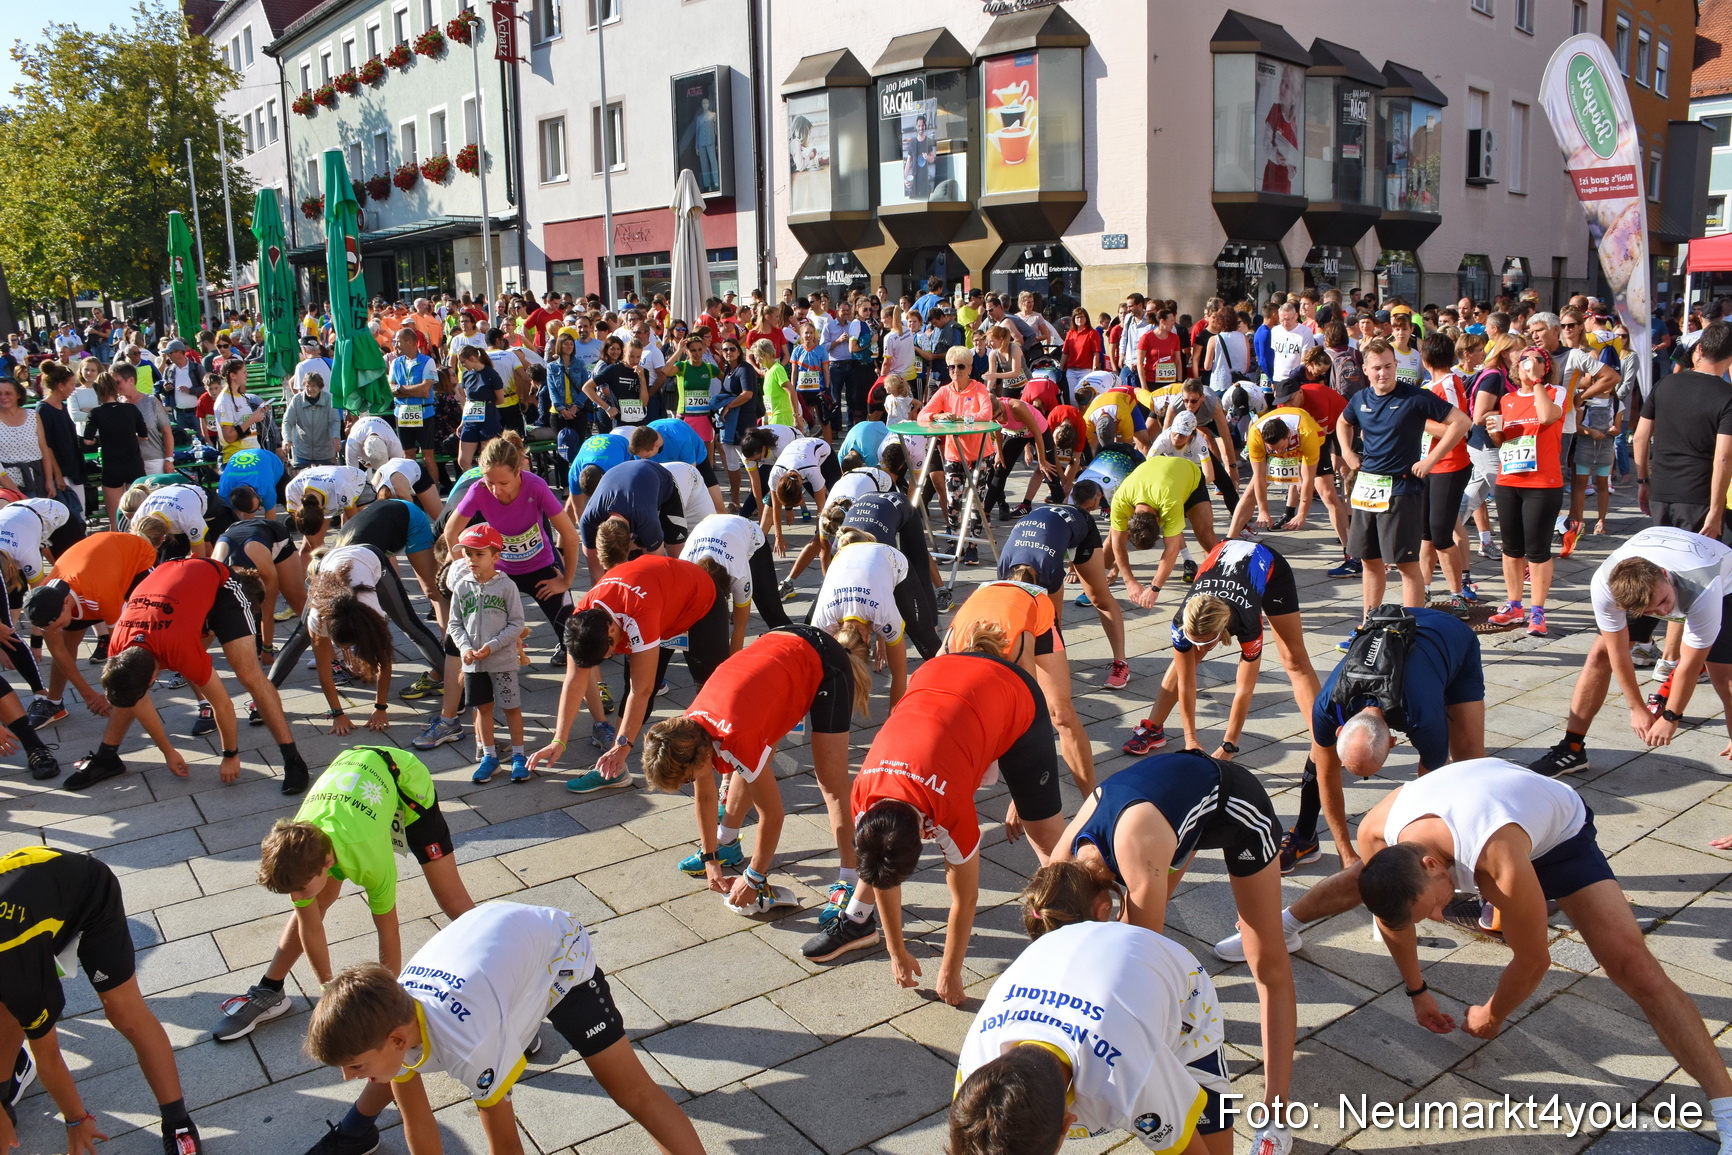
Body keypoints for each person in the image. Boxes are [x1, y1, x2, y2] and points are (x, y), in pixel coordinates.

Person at [1267, 757, 1732, 1153]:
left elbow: (1534, 960)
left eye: (1430, 905)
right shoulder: (1378, 834)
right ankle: (1283, 927)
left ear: (1430, 864)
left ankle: (1727, 1109)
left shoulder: (1498, 863)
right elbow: (1395, 919)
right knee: (1358, 880)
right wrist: (1418, 992)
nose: (1435, 917)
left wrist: (1492, 1014)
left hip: (1554, 831)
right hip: (1480, 795)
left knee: (1631, 966)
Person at [1031, 749, 1296, 1144]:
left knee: (1268, 964)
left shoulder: (1137, 856)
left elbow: (1139, 980)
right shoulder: (1056, 872)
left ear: (1104, 907)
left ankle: (1277, 1118)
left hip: (1235, 807)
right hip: (1171, 811)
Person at [302, 904, 705, 1155]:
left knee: (631, 1090)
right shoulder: (394, 1024)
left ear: (395, 1041)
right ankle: (518, 1034)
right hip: (495, 961)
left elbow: (508, 1147)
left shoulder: (468, 1045)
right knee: (493, 1027)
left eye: (354, 1065)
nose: (347, 1077)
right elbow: (419, 1125)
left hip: (559, 952)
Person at [814, 637, 1062, 1002]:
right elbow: (880, 870)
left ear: (926, 835)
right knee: (881, 860)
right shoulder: (863, 795)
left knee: (1045, 837)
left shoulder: (950, 812)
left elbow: (965, 898)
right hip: (937, 674)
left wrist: (950, 972)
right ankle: (858, 920)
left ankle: (1074, 929)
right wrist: (896, 952)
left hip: (1010, 690)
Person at [211, 746, 476, 1045]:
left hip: (404, 783)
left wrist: (388, 1007)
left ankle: (507, 972)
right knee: (314, 904)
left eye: (300, 889)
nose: (297, 896)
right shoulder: (297, 848)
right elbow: (309, 926)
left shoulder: (370, 859)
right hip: (352, 786)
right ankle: (270, 990)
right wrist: (329, 994)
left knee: (453, 902)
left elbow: (388, 930)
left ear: (326, 863)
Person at [951, 921, 1236, 1155]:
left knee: (1212, 1140)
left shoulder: (1131, 1079)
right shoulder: (973, 1081)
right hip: (1062, 951)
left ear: (1066, 1126)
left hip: (1173, 980)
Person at [642, 624, 866, 922]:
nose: (691, 783)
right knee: (748, 764)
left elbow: (773, 816)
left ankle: (850, 878)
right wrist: (710, 858)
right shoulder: (688, 730)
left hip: (823, 659)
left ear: (698, 757)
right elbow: (705, 797)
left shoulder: (734, 739)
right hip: (775, 656)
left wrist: (754, 878)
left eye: (687, 778)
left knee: (831, 781)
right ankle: (727, 843)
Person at [0, 847, 208, 1155]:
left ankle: (177, 1120)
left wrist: (76, 1119)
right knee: (5, 1011)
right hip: (32, 895)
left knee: (123, 1011)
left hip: (87, 889)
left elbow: (50, 1055)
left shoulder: (16, 969)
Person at [1529, 527, 1732, 777]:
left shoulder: (1704, 588)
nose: (1663, 612)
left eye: (1663, 602)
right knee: (1600, 654)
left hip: (1723, 584)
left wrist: (1670, 717)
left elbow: (1689, 664)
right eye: (1650, 611)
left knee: (1724, 674)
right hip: (1655, 562)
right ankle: (1571, 748)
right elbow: (1617, 652)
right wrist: (1636, 707)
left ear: (1665, 576)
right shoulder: (1604, 584)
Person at [535, 554, 730, 793]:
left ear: (611, 629)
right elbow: (574, 681)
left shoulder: (637, 615)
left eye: (608, 651)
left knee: (711, 692)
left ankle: (730, 778)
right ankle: (614, 769)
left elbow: (643, 690)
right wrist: (559, 740)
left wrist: (624, 745)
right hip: (662, 601)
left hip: (698, 603)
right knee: (630, 691)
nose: (609, 657)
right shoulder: (582, 618)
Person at [1337, 339, 1470, 624]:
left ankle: (1413, 627)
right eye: (1377, 368)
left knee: (1406, 564)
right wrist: (1347, 452)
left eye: (1388, 366)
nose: (1383, 373)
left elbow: (1461, 422)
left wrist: (1432, 459)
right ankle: (1368, 624)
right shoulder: (1360, 399)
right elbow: (1343, 422)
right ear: (1366, 370)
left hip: (1401, 489)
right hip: (1367, 489)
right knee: (1369, 561)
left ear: (1396, 365)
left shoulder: (1414, 397)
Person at [945, 577, 1095, 799]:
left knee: (1060, 712)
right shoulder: (948, 652)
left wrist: (1026, 790)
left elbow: (1035, 721)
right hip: (986, 599)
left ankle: (1093, 800)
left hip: (1031, 603)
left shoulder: (1018, 647)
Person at [443, 431, 581, 663]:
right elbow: (450, 531)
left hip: (542, 568)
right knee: (478, 634)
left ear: (518, 472)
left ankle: (595, 685)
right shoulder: (478, 490)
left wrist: (566, 581)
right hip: (502, 572)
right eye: (490, 483)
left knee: (573, 636)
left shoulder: (535, 485)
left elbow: (569, 534)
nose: (496, 490)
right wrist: (465, 569)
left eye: (504, 483)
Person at [21, 531, 156, 734]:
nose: (54, 630)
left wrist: (109, 694)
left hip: (136, 557)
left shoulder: (102, 593)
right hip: (92, 571)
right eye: (49, 628)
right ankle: (54, 703)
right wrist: (89, 695)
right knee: (67, 642)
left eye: (56, 624)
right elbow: (59, 652)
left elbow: (120, 648)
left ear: (66, 602)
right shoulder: (44, 602)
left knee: (142, 639)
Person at [999, 490, 1130, 690]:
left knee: (1099, 598)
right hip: (1045, 523)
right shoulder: (1003, 572)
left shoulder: (1049, 571)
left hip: (1078, 523)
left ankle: (1121, 663)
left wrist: (1052, 676)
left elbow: (1055, 626)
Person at [1484, 345, 1567, 637]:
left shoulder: (1555, 392)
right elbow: (1502, 441)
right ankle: (1514, 604)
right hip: (1509, 481)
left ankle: (1538, 610)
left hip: (1542, 483)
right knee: (1511, 548)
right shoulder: (1506, 399)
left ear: (1546, 367)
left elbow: (1546, 417)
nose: (1526, 366)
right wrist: (1494, 429)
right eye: (1522, 362)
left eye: (1534, 362)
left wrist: (1537, 383)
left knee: (1537, 550)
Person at [448, 524, 530, 784]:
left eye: (478, 554)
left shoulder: (507, 587)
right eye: (468, 554)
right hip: (473, 664)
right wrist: (465, 648)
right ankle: (489, 756)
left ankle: (519, 756)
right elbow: (454, 623)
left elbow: (517, 623)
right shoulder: (461, 587)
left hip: (502, 661)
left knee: (511, 708)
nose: (471, 559)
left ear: (495, 557)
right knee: (483, 709)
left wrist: (492, 646)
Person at [1107, 454, 1215, 610]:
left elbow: (1172, 549)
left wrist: (1155, 588)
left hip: (1187, 473)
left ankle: (1223, 577)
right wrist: (1129, 581)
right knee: (1113, 536)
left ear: (1158, 519)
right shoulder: (1120, 500)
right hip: (1158, 472)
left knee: (1205, 535)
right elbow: (1116, 542)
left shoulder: (1169, 503)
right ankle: (1100, 582)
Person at [681, 511, 790, 649]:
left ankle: (800, 648)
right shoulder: (684, 572)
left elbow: (740, 627)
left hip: (749, 534)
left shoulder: (739, 575)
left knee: (771, 611)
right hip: (711, 524)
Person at [212, 485, 302, 652]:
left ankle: (330, 649)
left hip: (274, 535)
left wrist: (267, 648)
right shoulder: (215, 570)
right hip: (236, 533)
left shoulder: (266, 571)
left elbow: (268, 615)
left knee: (296, 599)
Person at [78, 373, 148, 531]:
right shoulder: (131, 408)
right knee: (140, 516)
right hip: (133, 463)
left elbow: (87, 440)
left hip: (112, 465)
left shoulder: (96, 413)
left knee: (115, 520)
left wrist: (99, 440)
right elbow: (144, 436)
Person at [455, 344, 504, 471]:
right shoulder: (466, 375)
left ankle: (488, 484)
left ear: (472, 358)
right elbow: (467, 401)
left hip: (488, 418)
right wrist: (462, 422)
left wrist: (485, 404)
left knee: (487, 458)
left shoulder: (490, 374)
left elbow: (500, 399)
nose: (462, 365)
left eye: (463, 362)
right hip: (470, 419)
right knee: (463, 460)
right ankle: (475, 482)